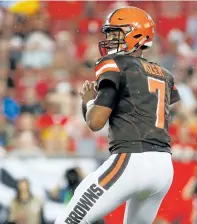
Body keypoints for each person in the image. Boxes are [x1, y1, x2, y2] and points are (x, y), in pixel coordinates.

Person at [55, 6, 180, 224]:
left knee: (68, 221)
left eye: (116, 33)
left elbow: (96, 122)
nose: (110, 39)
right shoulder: (165, 74)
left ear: (137, 34)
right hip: (163, 167)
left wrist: (88, 102)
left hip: (132, 159)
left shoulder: (115, 65)